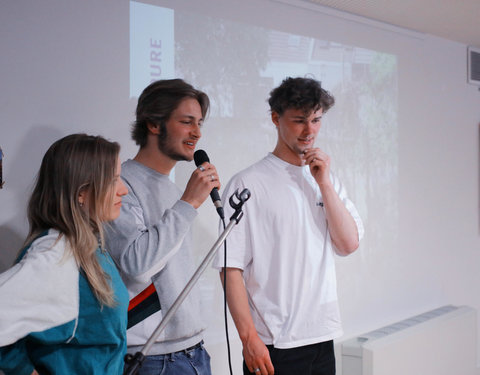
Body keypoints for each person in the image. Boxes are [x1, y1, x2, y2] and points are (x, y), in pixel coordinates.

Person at [213, 77, 364, 375]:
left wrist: (323, 183)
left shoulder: (327, 179)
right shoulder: (247, 183)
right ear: (275, 118)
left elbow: (348, 244)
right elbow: (230, 268)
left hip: (322, 336)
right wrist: (248, 339)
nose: (310, 131)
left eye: (317, 120)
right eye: (299, 121)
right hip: (273, 346)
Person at [105, 79, 219, 375]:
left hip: (193, 350)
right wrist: (188, 204)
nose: (197, 133)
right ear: (154, 124)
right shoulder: (122, 184)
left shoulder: (172, 189)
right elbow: (137, 265)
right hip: (153, 358)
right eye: (186, 122)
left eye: (199, 123)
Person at [0, 133, 129, 375]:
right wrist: (23, 369)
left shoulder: (89, 246)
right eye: (113, 180)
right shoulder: (57, 254)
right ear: (82, 192)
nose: (124, 190)